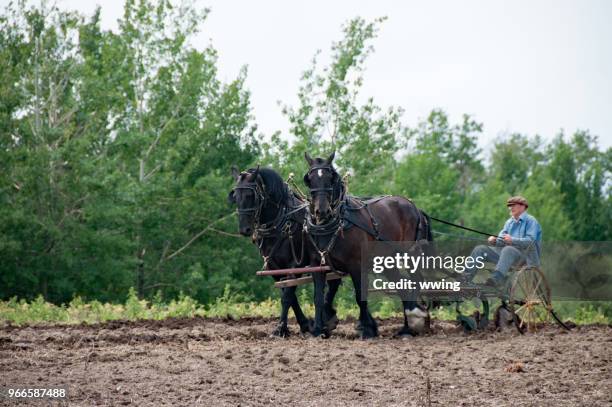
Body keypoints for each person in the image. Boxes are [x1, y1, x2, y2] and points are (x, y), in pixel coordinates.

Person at [462, 196, 542, 286]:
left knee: (508, 249)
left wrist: (512, 240)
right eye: (509, 206)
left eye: (513, 205)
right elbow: (501, 240)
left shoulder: (531, 221)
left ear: (522, 206)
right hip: (507, 255)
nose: (510, 208)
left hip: (525, 258)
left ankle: (496, 279)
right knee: (479, 249)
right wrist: (495, 241)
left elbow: (530, 241)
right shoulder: (509, 222)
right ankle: (465, 277)